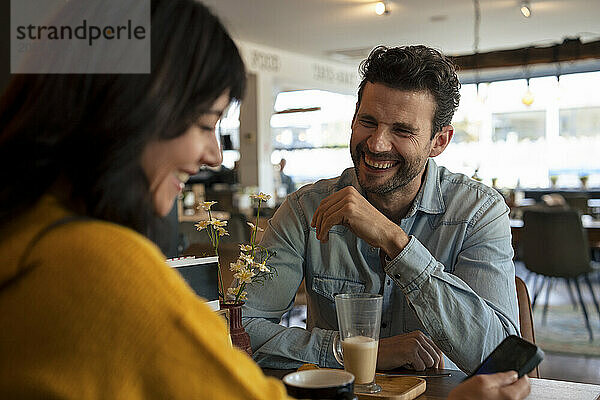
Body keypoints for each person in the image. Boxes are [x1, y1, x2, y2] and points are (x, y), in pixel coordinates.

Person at [0, 1, 289, 398]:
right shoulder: (101, 265)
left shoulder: (22, 232)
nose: (214, 155)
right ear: (134, 106)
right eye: (205, 123)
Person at [242, 45, 520, 373]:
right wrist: (353, 352)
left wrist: (396, 242)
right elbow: (241, 332)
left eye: (402, 130)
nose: (376, 143)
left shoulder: (478, 212)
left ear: (439, 142)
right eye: (368, 122)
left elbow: (503, 359)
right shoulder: (304, 210)